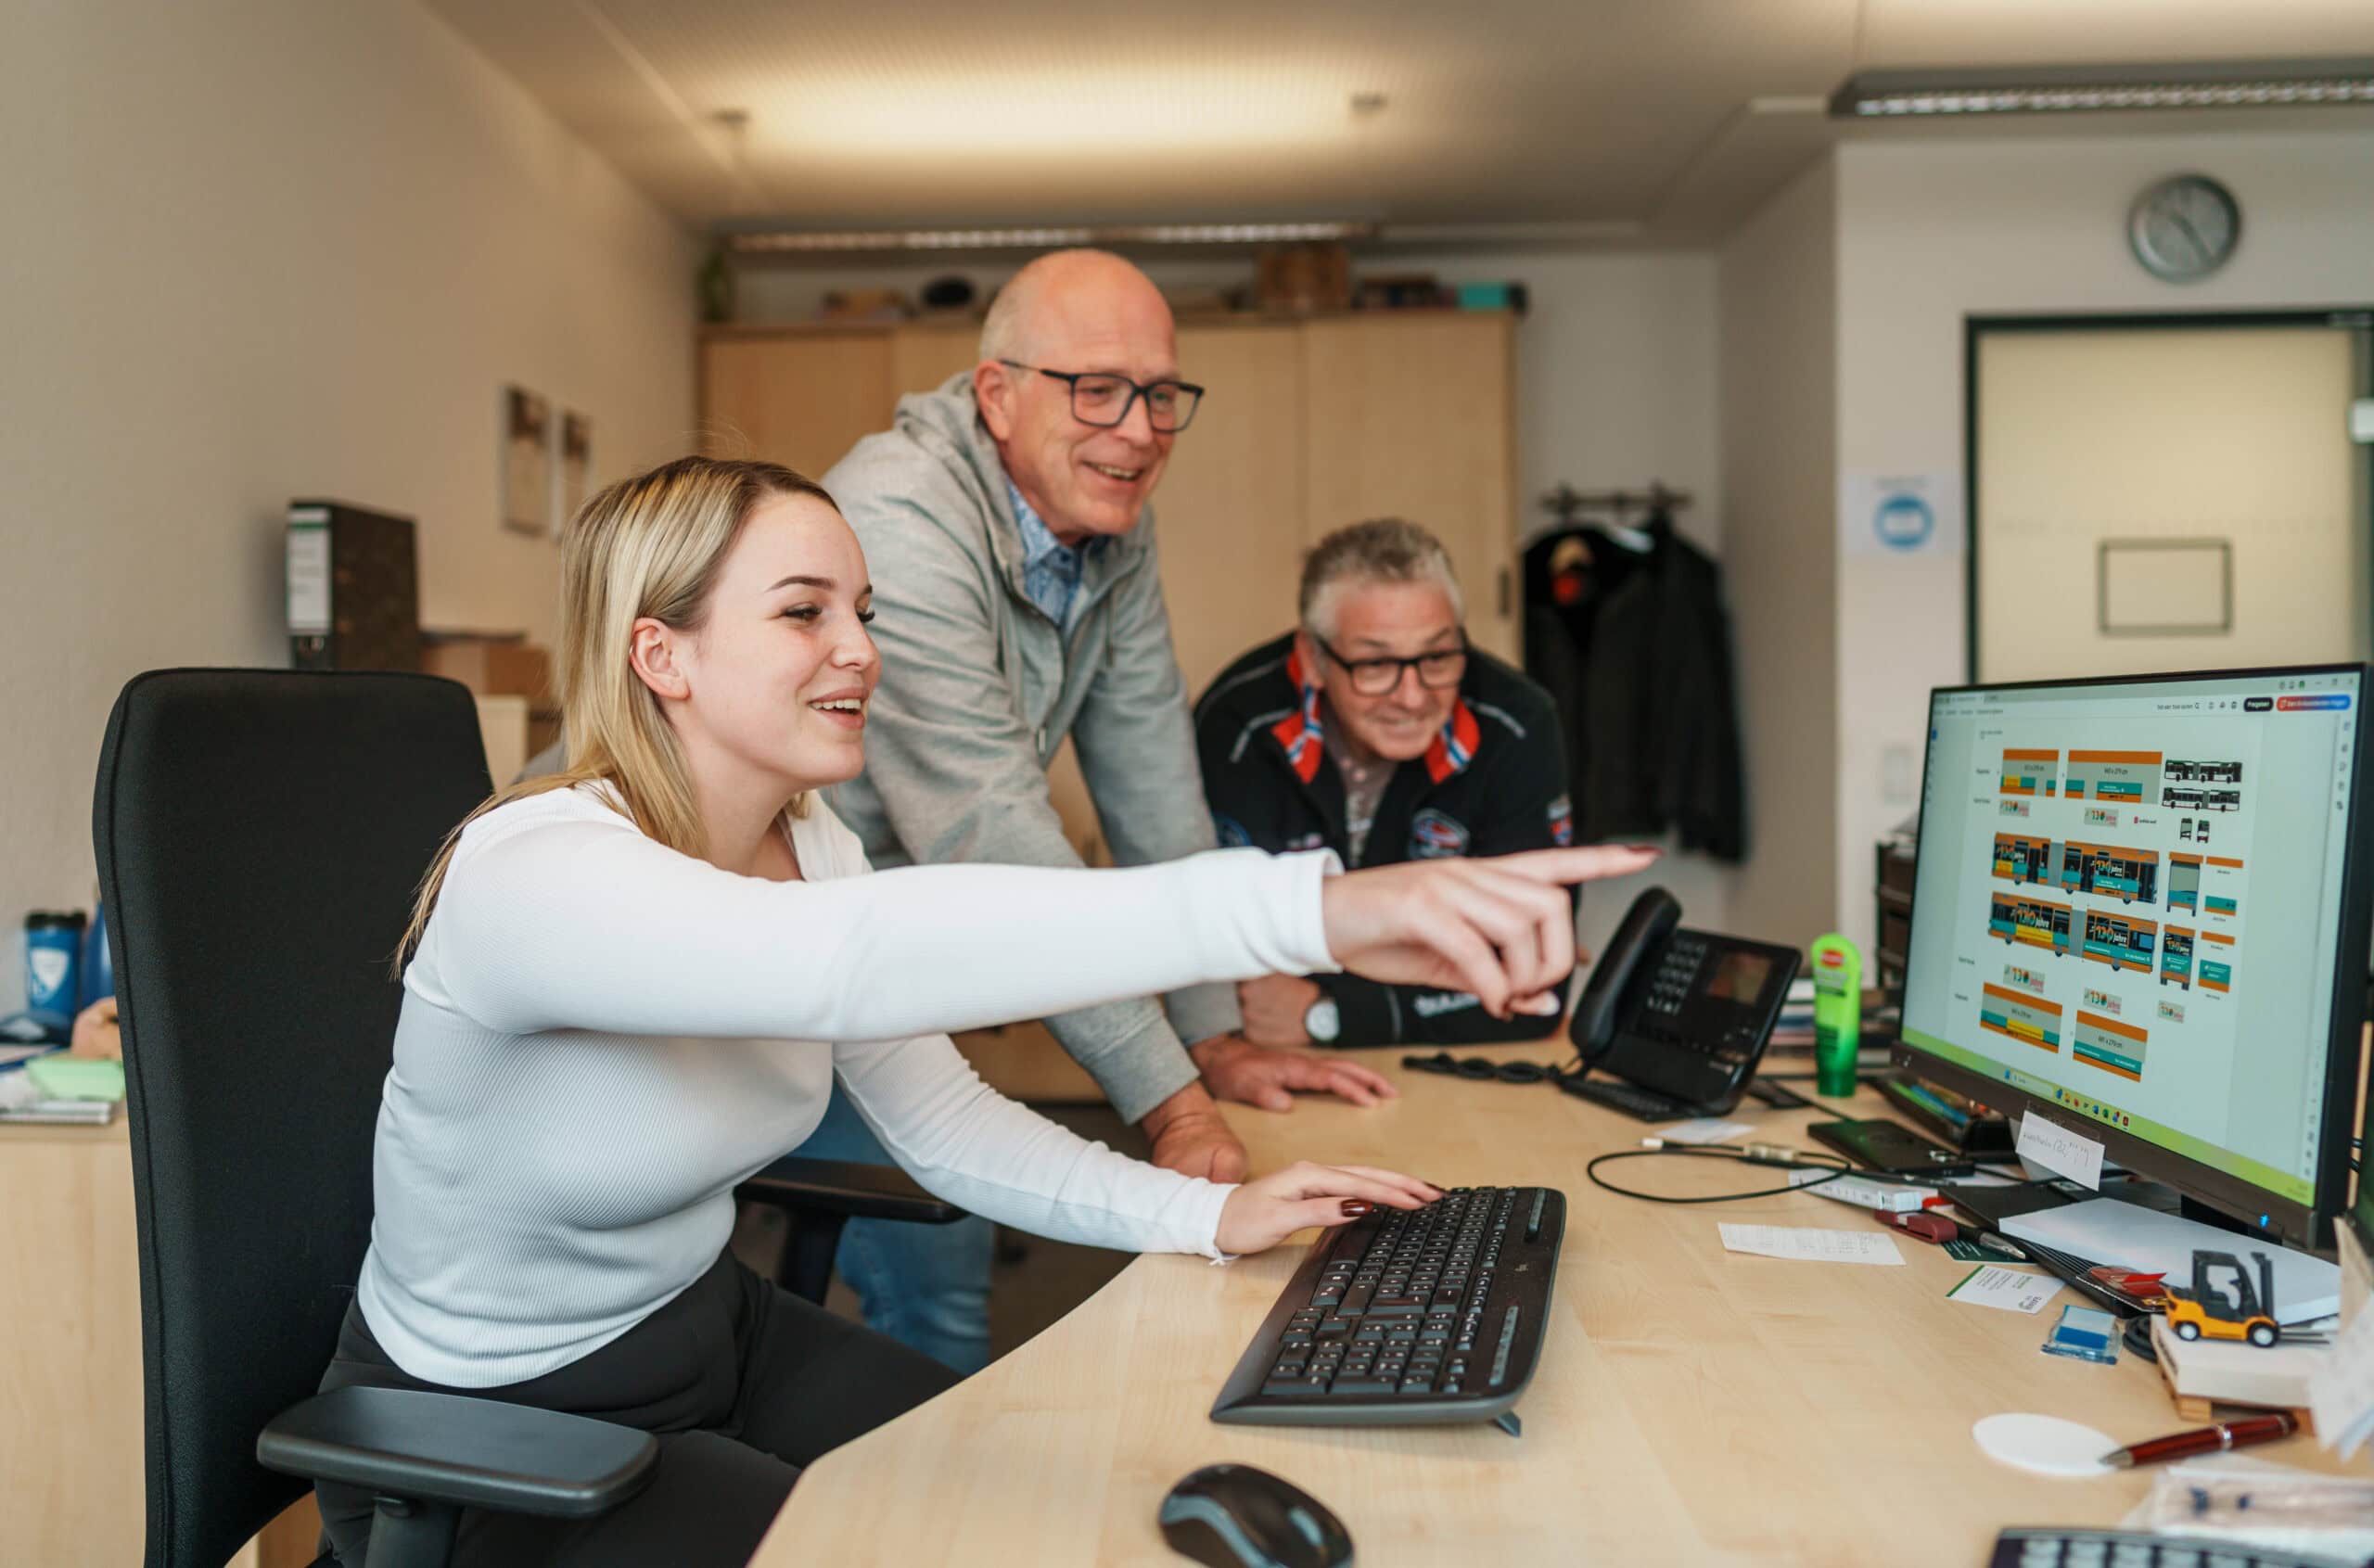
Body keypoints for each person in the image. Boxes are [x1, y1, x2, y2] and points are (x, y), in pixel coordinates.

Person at [315, 456, 1654, 1566]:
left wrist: (1201, 1212)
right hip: (489, 1432)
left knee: (1059, 1510)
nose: (861, 650)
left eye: (866, 608)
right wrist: (1319, 908)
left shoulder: (811, 840)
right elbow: (856, 959)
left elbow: (942, 1118)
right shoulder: (540, 872)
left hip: (704, 1328)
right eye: (804, 612)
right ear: (660, 652)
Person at [810, 249, 1385, 1370]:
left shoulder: (1107, 515)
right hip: (782, 920)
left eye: (1162, 394)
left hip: (888, 927)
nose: (1138, 430)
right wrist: (1168, 1096)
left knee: (960, 1241)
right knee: (937, 1293)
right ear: (996, 393)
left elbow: (1150, 775)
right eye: (1096, 389)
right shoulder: (897, 512)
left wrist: (1211, 1031)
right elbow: (992, 834)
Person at [1196, 518, 1579, 1049]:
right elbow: (1217, 959)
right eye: (1375, 663)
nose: (1412, 696)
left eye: (1438, 656)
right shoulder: (1236, 725)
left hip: (1454, 1065)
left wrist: (1328, 1014)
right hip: (1276, 1064)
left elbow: (1534, 988)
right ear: (1312, 658)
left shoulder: (1518, 724)